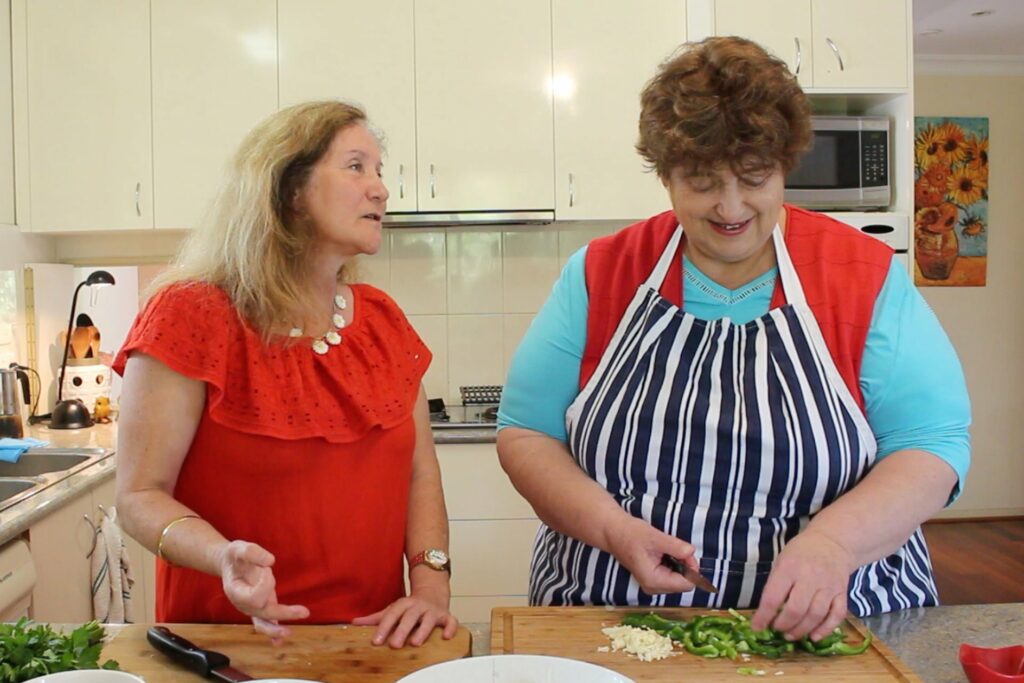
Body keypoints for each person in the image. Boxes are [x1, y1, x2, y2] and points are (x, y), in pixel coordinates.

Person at [497, 36, 970, 643]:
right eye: (701, 182)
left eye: (754, 178)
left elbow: (931, 443)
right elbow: (528, 432)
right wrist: (614, 529)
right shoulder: (602, 273)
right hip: (614, 622)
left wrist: (832, 542)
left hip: (836, 626)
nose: (730, 206)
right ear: (665, 175)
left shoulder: (863, 276)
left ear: (783, 167)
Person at [114, 101, 457, 648]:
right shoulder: (189, 314)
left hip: (370, 645)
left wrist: (431, 582)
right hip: (230, 645)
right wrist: (219, 556)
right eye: (355, 166)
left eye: (379, 170)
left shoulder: (383, 320)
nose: (381, 189)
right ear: (289, 191)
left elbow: (420, 473)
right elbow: (139, 496)